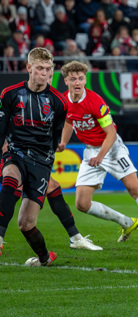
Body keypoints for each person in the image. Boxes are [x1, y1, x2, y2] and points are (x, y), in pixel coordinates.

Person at [58, 61, 138, 245]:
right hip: (91, 151)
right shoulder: (63, 101)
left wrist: (100, 157)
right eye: (73, 79)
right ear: (66, 81)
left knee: (134, 187)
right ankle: (126, 223)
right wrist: (63, 142)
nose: (77, 82)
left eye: (80, 78)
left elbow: (110, 133)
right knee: (81, 204)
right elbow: (68, 121)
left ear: (85, 80)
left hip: (111, 149)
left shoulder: (95, 102)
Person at [0, 48, 68, 266]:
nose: (44, 73)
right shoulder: (10, 94)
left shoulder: (59, 102)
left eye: (48, 69)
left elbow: (56, 137)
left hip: (41, 161)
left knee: (26, 223)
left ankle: (45, 259)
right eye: (40, 68)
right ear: (29, 68)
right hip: (16, 151)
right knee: (10, 176)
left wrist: (48, 162)